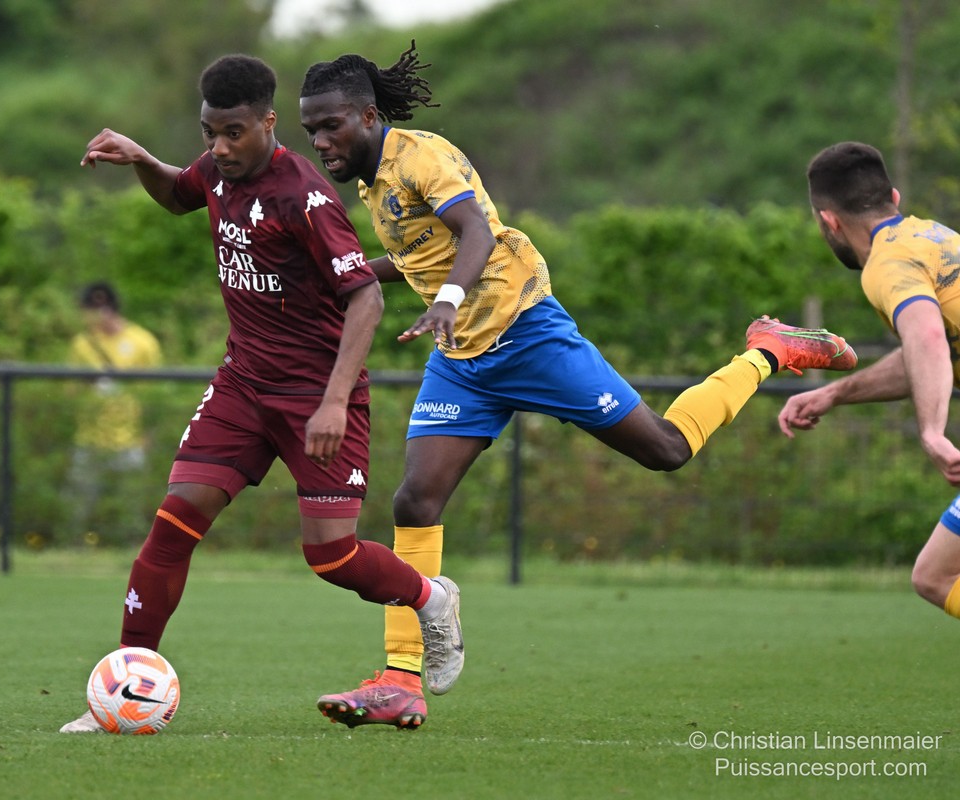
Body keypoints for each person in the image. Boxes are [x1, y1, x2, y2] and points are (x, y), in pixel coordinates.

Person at [297, 42, 859, 728]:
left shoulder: (421, 157)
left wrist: (445, 298)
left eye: (330, 126)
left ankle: (769, 350)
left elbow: (475, 231)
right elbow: (420, 253)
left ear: (366, 115)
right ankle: (400, 679)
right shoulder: (372, 181)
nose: (320, 142)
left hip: (526, 333)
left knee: (666, 449)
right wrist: (346, 274)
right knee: (415, 499)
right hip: (463, 357)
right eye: (311, 130)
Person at [59, 54, 463, 733]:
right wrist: (142, 160)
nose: (219, 148)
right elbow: (177, 194)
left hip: (317, 394)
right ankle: (124, 690)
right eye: (209, 132)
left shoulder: (304, 196)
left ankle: (430, 599)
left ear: (268, 122)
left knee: (330, 556)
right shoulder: (219, 171)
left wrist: (333, 401)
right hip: (243, 386)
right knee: (173, 524)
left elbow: (365, 297)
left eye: (233, 133)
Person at [779, 141, 960, 615]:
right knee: (934, 573)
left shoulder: (887, 262)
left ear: (830, 221)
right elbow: (929, 350)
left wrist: (932, 432)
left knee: (936, 576)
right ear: (894, 198)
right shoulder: (936, 237)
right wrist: (836, 394)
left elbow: (927, 337)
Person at [67, 281, 163, 537]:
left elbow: (155, 395)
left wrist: (149, 434)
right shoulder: (82, 343)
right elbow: (70, 391)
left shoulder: (143, 342)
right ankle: (73, 543)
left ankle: (131, 545)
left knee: (131, 502)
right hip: (89, 435)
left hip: (130, 436)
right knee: (79, 501)